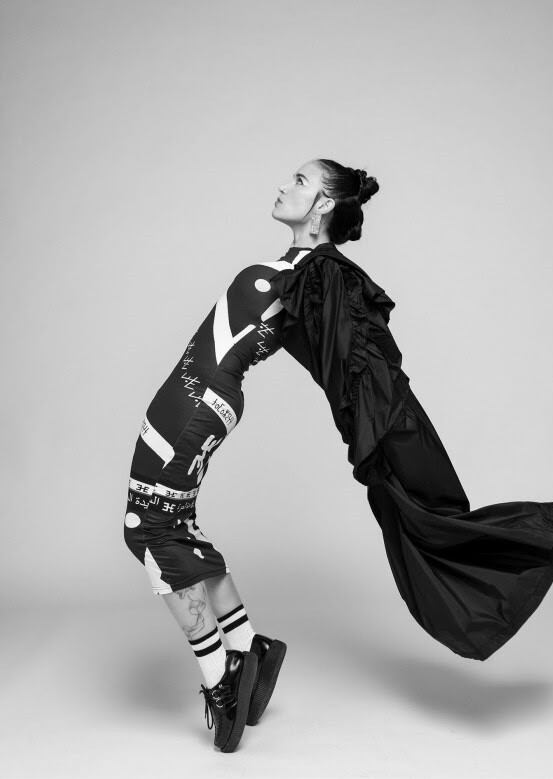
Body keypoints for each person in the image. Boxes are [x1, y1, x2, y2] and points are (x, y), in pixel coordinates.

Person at [123, 158, 364, 752]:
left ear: (325, 205)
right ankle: (249, 646)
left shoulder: (307, 274)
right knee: (175, 524)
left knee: (148, 528)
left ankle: (223, 683)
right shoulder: (302, 273)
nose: (285, 185)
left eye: (301, 181)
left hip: (194, 401)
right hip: (200, 398)